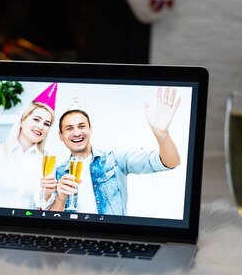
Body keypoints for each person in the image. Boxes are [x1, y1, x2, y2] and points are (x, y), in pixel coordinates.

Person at [45, 87, 181, 215]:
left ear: (90, 130)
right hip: (74, 237)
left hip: (111, 236)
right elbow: (50, 222)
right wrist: (61, 199)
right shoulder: (57, 173)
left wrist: (162, 134)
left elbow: (169, 162)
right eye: (69, 128)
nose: (77, 133)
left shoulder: (114, 159)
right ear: (60, 136)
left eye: (82, 126)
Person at [0, 83, 58, 209]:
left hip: (28, 225)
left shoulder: (46, 160)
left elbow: (42, 205)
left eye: (47, 123)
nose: (41, 126)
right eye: (36, 119)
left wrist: (47, 193)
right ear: (22, 121)